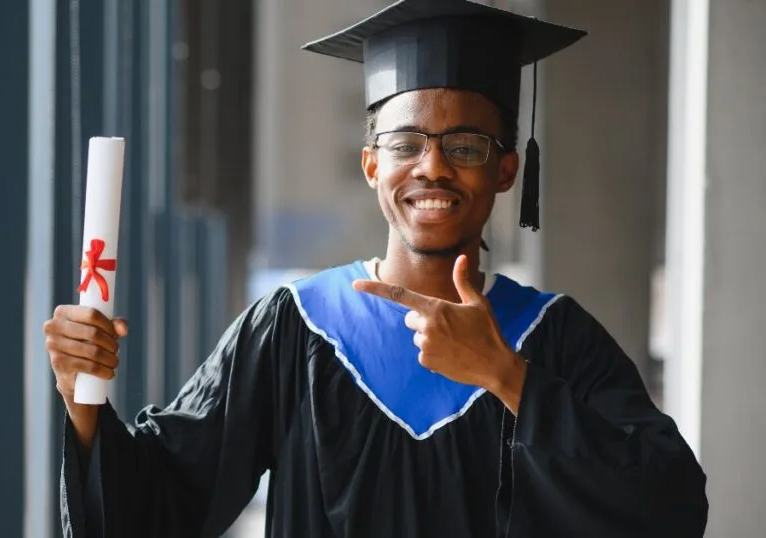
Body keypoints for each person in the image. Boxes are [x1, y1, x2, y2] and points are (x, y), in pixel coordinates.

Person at [45, 1, 709, 536]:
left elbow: (669, 505)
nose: (433, 166)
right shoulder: (292, 328)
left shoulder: (554, 338)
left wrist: (508, 378)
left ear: (506, 169)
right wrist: (84, 403)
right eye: (405, 144)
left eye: (466, 146)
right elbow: (158, 509)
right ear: (372, 166)